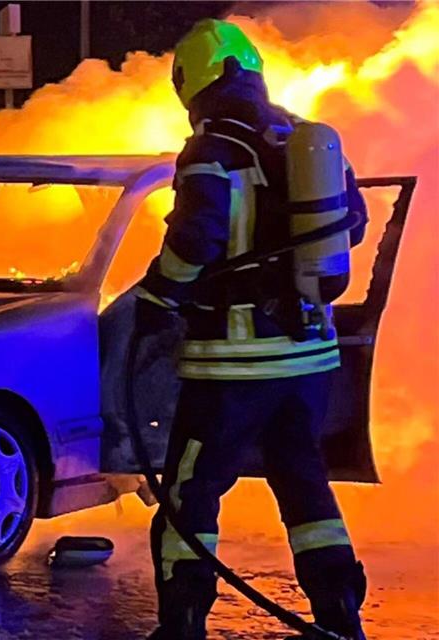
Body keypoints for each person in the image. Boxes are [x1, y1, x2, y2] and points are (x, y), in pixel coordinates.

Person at [135, 19, 369, 640]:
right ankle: (339, 615)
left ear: (190, 82)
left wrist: (157, 297)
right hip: (310, 361)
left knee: (190, 494)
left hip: (232, 364)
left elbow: (195, 239)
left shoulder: (212, 149)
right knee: (305, 488)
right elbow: (355, 222)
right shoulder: (305, 138)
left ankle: (182, 623)